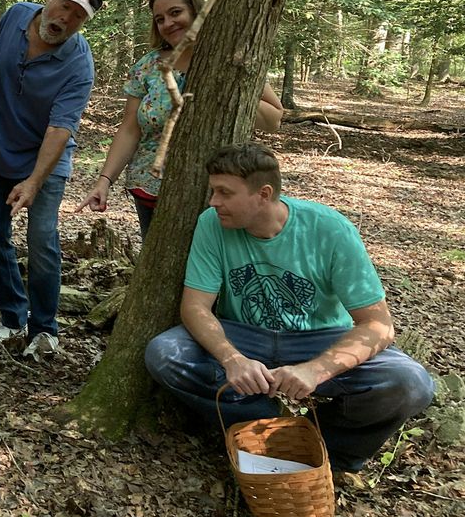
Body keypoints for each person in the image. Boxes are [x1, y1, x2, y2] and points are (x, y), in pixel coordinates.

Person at [145, 143, 435, 473]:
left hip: (320, 338)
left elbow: (378, 325)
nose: (214, 202)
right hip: (245, 336)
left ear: (263, 194)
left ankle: (326, 449)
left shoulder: (329, 230)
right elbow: (195, 307)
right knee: (165, 354)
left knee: (410, 383)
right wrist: (232, 359)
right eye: (214, 191)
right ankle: (264, 431)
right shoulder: (211, 224)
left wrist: (316, 370)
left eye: (225, 193)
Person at [78, 0, 283, 237]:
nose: (168, 23)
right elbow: (130, 129)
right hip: (151, 191)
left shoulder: (229, 57)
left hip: (218, 193)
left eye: (176, 12)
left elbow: (274, 119)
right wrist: (104, 181)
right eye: (159, 19)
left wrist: (226, 81)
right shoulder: (148, 67)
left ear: (197, 11)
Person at [0, 0, 100, 359]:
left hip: (45, 162)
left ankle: (44, 328)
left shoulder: (79, 62)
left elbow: (61, 127)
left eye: (77, 16)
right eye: (64, 5)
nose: (65, 18)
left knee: (42, 240)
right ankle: (12, 318)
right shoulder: (15, 16)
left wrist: (33, 181)